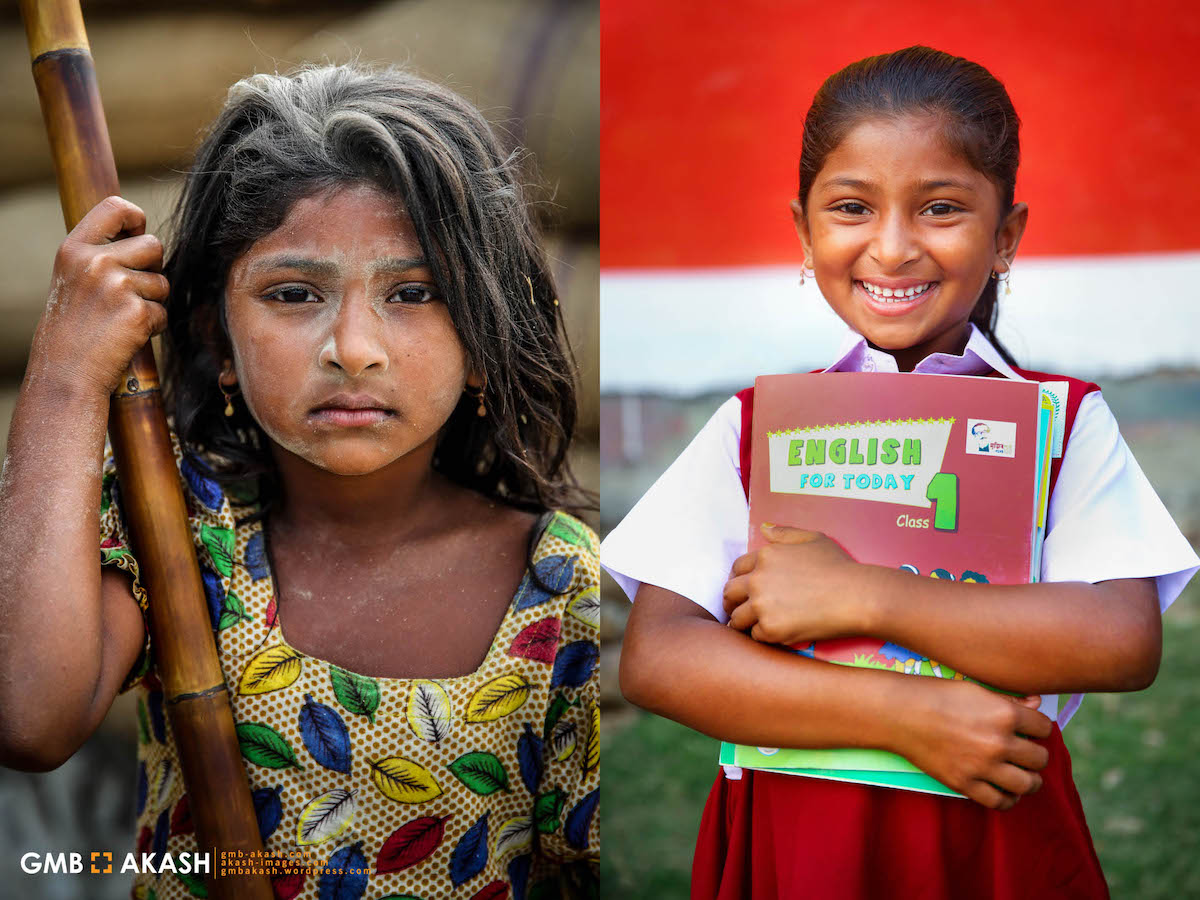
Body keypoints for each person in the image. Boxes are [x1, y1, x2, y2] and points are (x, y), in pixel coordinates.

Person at [602, 46, 1198, 899]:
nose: (892, 247)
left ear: (1007, 237)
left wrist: (865, 594)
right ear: (804, 233)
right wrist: (913, 716)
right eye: (851, 207)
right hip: (804, 837)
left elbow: (1123, 639)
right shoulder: (755, 427)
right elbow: (658, 657)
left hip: (988, 831)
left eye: (941, 208)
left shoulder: (1061, 424)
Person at [0, 64, 599, 899]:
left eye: (413, 292)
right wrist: (67, 373)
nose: (353, 347)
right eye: (293, 293)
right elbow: (29, 719)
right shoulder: (177, 524)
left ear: (484, 338)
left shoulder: (561, 585)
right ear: (215, 332)